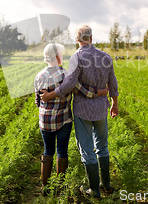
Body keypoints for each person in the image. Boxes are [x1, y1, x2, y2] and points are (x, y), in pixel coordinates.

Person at [41, 25, 119, 198]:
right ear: (91, 38)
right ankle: (106, 184)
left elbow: (69, 84)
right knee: (102, 147)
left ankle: (95, 190)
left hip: (83, 110)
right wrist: (115, 104)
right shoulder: (106, 57)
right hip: (101, 109)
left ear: (77, 41)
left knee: (87, 150)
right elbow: (113, 83)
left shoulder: (77, 57)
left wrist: (51, 95)